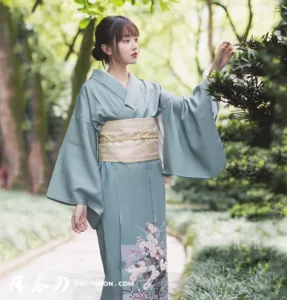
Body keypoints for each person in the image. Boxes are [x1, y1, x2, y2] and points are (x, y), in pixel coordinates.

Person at [46, 15, 234, 300]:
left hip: (149, 181)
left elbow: (190, 109)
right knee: (119, 266)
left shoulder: (151, 90)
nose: (134, 46)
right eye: (125, 40)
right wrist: (81, 200)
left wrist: (216, 68)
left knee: (151, 259)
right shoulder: (92, 90)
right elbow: (81, 143)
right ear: (107, 48)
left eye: (135, 39)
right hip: (112, 181)